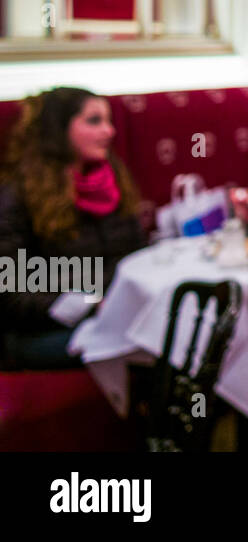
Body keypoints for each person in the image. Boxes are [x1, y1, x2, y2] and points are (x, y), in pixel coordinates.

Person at [0, 87, 144, 370]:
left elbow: (134, 254)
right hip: (37, 331)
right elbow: (11, 293)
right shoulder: (17, 196)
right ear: (58, 130)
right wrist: (92, 302)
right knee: (149, 344)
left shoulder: (111, 181)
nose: (109, 131)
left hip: (109, 314)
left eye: (109, 120)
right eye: (94, 121)